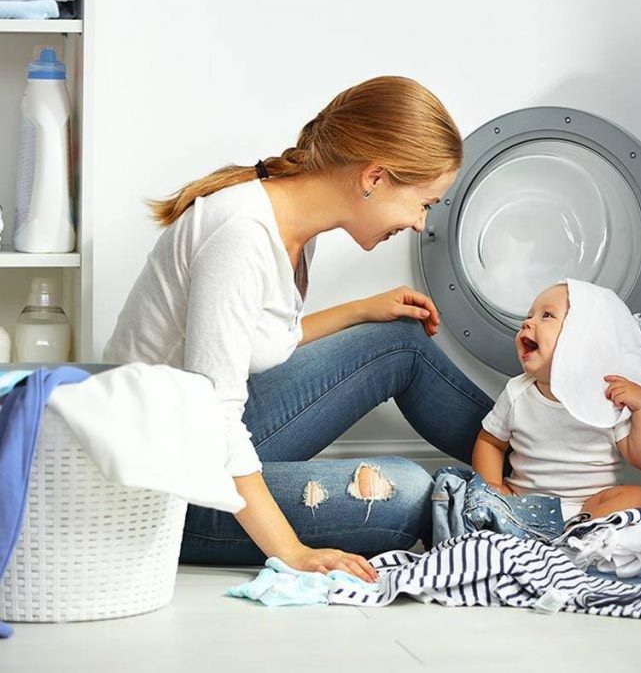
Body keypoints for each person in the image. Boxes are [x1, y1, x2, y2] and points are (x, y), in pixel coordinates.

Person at [104, 76, 493, 581]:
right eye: (424, 203)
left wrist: (359, 310)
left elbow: (253, 342)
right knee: (405, 491)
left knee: (398, 339)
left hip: (197, 441)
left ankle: (542, 469)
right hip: (165, 487)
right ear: (374, 177)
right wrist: (290, 552)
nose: (421, 223)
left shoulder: (292, 226)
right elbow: (215, 416)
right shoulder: (241, 236)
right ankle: (511, 505)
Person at [472, 283, 641, 524]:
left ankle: (579, 528)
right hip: (525, 503)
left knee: (638, 497)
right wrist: (493, 486)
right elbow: (490, 442)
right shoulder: (517, 392)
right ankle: (562, 533)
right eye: (529, 316)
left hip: (592, 505)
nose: (527, 323)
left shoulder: (605, 395)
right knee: (470, 496)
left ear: (581, 337)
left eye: (546, 315)